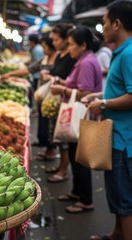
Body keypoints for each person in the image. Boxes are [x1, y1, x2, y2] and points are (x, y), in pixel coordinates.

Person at [83, 1, 132, 239]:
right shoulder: (121, 51)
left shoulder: (129, 53)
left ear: (117, 23)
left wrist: (103, 104)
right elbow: (121, 89)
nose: (102, 28)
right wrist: (100, 95)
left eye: (104, 23)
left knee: (124, 199)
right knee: (116, 191)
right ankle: (116, 235)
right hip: (117, 136)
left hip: (125, 140)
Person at [50, 26, 102, 213]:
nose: (69, 48)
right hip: (79, 115)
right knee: (74, 156)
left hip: (81, 116)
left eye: (71, 45)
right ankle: (77, 192)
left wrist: (62, 90)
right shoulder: (84, 60)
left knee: (80, 160)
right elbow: (78, 85)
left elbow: (86, 92)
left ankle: (86, 200)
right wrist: (64, 83)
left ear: (83, 45)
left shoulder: (86, 62)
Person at [1, 36, 58, 158]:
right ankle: (45, 146)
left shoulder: (60, 59)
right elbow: (29, 69)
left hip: (54, 97)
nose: (43, 49)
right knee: (43, 122)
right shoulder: (44, 59)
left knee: (52, 124)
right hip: (42, 95)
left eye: (45, 47)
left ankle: (52, 150)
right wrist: (10, 74)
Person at [39, 24, 77, 177]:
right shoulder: (61, 55)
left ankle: (63, 170)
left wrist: (55, 79)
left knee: (64, 138)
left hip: (66, 102)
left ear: (65, 40)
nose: (53, 43)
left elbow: (71, 81)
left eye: (56, 40)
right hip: (57, 101)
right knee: (58, 136)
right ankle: (61, 167)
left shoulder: (71, 57)